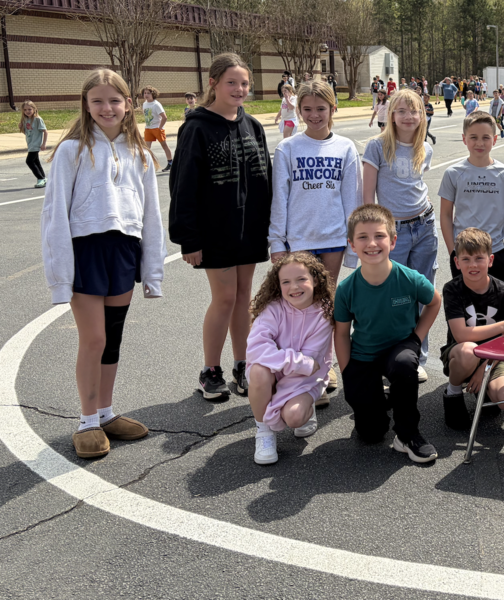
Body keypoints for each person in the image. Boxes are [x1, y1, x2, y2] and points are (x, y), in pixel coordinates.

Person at [42, 69, 165, 459]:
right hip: (86, 252)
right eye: (98, 101)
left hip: (123, 252)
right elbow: (54, 214)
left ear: (129, 104)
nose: (107, 108)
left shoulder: (140, 153)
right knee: (93, 339)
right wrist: (60, 276)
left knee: (112, 338)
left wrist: (152, 269)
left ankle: (107, 413)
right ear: (86, 104)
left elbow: (151, 216)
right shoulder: (71, 150)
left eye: (115, 100)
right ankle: (87, 421)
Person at [169, 53, 273, 401]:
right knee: (225, 297)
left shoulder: (253, 126)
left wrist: (270, 228)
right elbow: (183, 185)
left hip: (249, 228)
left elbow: (265, 181)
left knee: (245, 298)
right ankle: (209, 371)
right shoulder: (196, 127)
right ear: (213, 83)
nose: (239, 89)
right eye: (231, 82)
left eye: (244, 83)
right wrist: (188, 239)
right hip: (215, 231)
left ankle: (242, 365)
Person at [269, 82, 361, 402]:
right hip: (299, 241)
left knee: (326, 306)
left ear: (333, 109)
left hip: (333, 238)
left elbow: (352, 199)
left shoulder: (346, 148)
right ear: (299, 110)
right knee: (299, 308)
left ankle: (324, 367)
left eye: (321, 108)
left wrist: (353, 243)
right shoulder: (288, 149)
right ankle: (300, 367)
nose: (314, 115)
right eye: (307, 109)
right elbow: (279, 200)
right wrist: (277, 243)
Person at [334, 204, 442, 463]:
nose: (372, 243)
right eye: (363, 237)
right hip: (364, 354)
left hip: (399, 347)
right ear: (352, 244)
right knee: (371, 433)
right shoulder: (346, 289)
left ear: (393, 241)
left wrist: (416, 339)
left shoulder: (409, 278)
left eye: (379, 236)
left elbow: (434, 301)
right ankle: (381, 398)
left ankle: (407, 435)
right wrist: (348, 372)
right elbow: (340, 334)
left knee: (405, 364)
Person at [362, 88, 436, 381]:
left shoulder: (425, 149)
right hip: (393, 232)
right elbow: (368, 196)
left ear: (422, 115)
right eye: (401, 111)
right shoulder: (377, 147)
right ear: (391, 114)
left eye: (414, 111)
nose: (408, 117)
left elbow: (416, 187)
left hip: (424, 227)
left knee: (422, 294)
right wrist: (369, 234)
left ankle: (415, 357)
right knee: (390, 295)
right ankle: (384, 359)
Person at [246, 253, 334, 464]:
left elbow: (312, 364)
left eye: (301, 279)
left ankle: (306, 406)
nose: (294, 287)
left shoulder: (324, 314)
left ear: (315, 279)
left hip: (302, 381)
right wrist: (297, 362)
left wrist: (282, 360)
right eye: (286, 282)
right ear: (278, 285)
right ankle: (264, 432)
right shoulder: (273, 308)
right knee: (258, 370)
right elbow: (256, 349)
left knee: (294, 418)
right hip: (277, 374)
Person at [440, 228, 504, 429]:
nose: (473, 265)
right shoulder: (452, 289)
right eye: (466, 259)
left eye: (479, 258)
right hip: (462, 354)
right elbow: (461, 334)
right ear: (457, 262)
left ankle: (485, 388)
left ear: (490, 260)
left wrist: (484, 369)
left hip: (495, 355)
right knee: (469, 350)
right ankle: (453, 391)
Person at [440, 111, 504, 288]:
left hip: (495, 251)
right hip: (463, 253)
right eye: (473, 137)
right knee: (464, 308)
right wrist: (453, 250)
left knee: (502, 306)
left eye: (486, 137)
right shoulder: (453, 173)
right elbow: (445, 214)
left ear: (495, 139)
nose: (480, 143)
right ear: (464, 139)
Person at [141, 86, 173, 172]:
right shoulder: (144, 104)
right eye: (145, 93)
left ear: (153, 94)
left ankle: (170, 163)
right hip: (148, 128)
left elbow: (164, 117)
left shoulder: (156, 104)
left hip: (157, 129)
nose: (146, 95)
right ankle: (146, 164)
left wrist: (160, 127)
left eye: (148, 93)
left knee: (164, 145)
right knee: (146, 147)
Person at [19, 100, 47, 188]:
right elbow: (27, 133)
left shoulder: (38, 119)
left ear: (34, 109)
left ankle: (40, 178)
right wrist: (21, 128)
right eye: (25, 110)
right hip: (30, 144)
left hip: (36, 144)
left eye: (29, 109)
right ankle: (43, 178)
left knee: (29, 161)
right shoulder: (26, 119)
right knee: (36, 161)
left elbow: (45, 132)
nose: (27, 111)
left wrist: (43, 144)